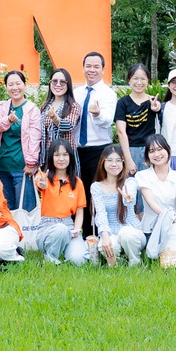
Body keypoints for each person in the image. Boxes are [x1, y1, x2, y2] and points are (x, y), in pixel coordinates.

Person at [70, 51, 118, 230]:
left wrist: (97, 114)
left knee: (96, 194)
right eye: (88, 66)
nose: (92, 70)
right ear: (83, 68)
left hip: (99, 150)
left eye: (96, 66)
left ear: (103, 69)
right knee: (77, 191)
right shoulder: (76, 93)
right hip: (76, 151)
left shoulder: (108, 94)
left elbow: (107, 121)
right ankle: (78, 232)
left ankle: (97, 233)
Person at [127, 134, 176, 263]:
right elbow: (152, 203)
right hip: (153, 228)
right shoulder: (142, 176)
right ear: (147, 155)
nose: (156, 154)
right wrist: (170, 218)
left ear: (168, 150)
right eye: (151, 151)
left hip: (174, 225)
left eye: (159, 149)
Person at [0, 71, 41, 223]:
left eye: (18, 83)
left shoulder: (32, 109)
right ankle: (9, 233)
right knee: (7, 208)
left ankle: (25, 235)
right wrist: (8, 120)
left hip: (22, 167)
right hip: (2, 165)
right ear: (6, 87)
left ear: (24, 85)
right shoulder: (2, 106)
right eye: (10, 84)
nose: (14, 87)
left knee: (25, 208)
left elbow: (35, 137)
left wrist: (31, 163)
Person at [29, 139, 91, 264]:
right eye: (57, 155)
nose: (61, 159)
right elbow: (41, 184)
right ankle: (50, 259)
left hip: (69, 225)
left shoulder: (77, 182)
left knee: (79, 260)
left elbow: (80, 211)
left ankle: (65, 250)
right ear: (51, 157)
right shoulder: (43, 177)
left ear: (70, 157)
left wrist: (77, 230)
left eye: (65, 155)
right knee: (60, 230)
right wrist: (43, 184)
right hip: (48, 226)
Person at [89, 145, 145, 265]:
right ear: (103, 162)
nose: (114, 164)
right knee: (107, 246)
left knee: (126, 233)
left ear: (123, 163)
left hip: (132, 230)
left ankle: (135, 263)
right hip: (111, 232)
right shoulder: (96, 187)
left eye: (118, 160)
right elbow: (101, 213)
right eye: (110, 160)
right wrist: (105, 237)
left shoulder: (130, 182)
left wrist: (128, 197)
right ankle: (118, 264)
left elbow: (130, 195)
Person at [112, 64, 162, 173]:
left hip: (150, 151)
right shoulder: (123, 103)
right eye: (135, 78)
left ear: (148, 81)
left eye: (143, 79)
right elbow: (121, 132)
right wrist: (128, 159)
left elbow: (158, 108)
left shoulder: (153, 101)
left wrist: (156, 107)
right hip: (129, 149)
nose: (139, 82)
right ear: (129, 80)